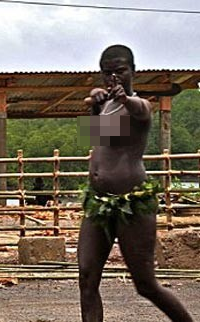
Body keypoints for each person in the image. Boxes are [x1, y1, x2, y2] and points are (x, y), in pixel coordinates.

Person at [78, 45, 192, 322]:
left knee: (145, 286)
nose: (113, 78)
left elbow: (139, 110)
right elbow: (100, 144)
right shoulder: (104, 105)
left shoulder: (140, 106)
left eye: (120, 71)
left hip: (132, 202)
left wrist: (125, 97)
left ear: (132, 71)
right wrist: (95, 106)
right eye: (107, 73)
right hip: (98, 202)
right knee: (86, 277)